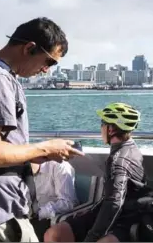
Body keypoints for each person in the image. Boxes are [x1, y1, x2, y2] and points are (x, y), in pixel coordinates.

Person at [0, 17, 84, 242]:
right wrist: (44, 148)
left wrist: (38, 156)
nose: (45, 70)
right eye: (49, 62)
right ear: (29, 48)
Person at [44, 102, 146, 242]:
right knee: (55, 234)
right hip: (106, 209)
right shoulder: (127, 149)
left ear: (110, 130)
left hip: (127, 216)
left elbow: (114, 203)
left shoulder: (119, 160)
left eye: (102, 123)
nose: (101, 128)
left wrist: (92, 237)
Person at [30, 161, 79, 241]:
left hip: (50, 217)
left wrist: (37, 213)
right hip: (30, 214)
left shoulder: (60, 166)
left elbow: (68, 203)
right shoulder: (19, 170)